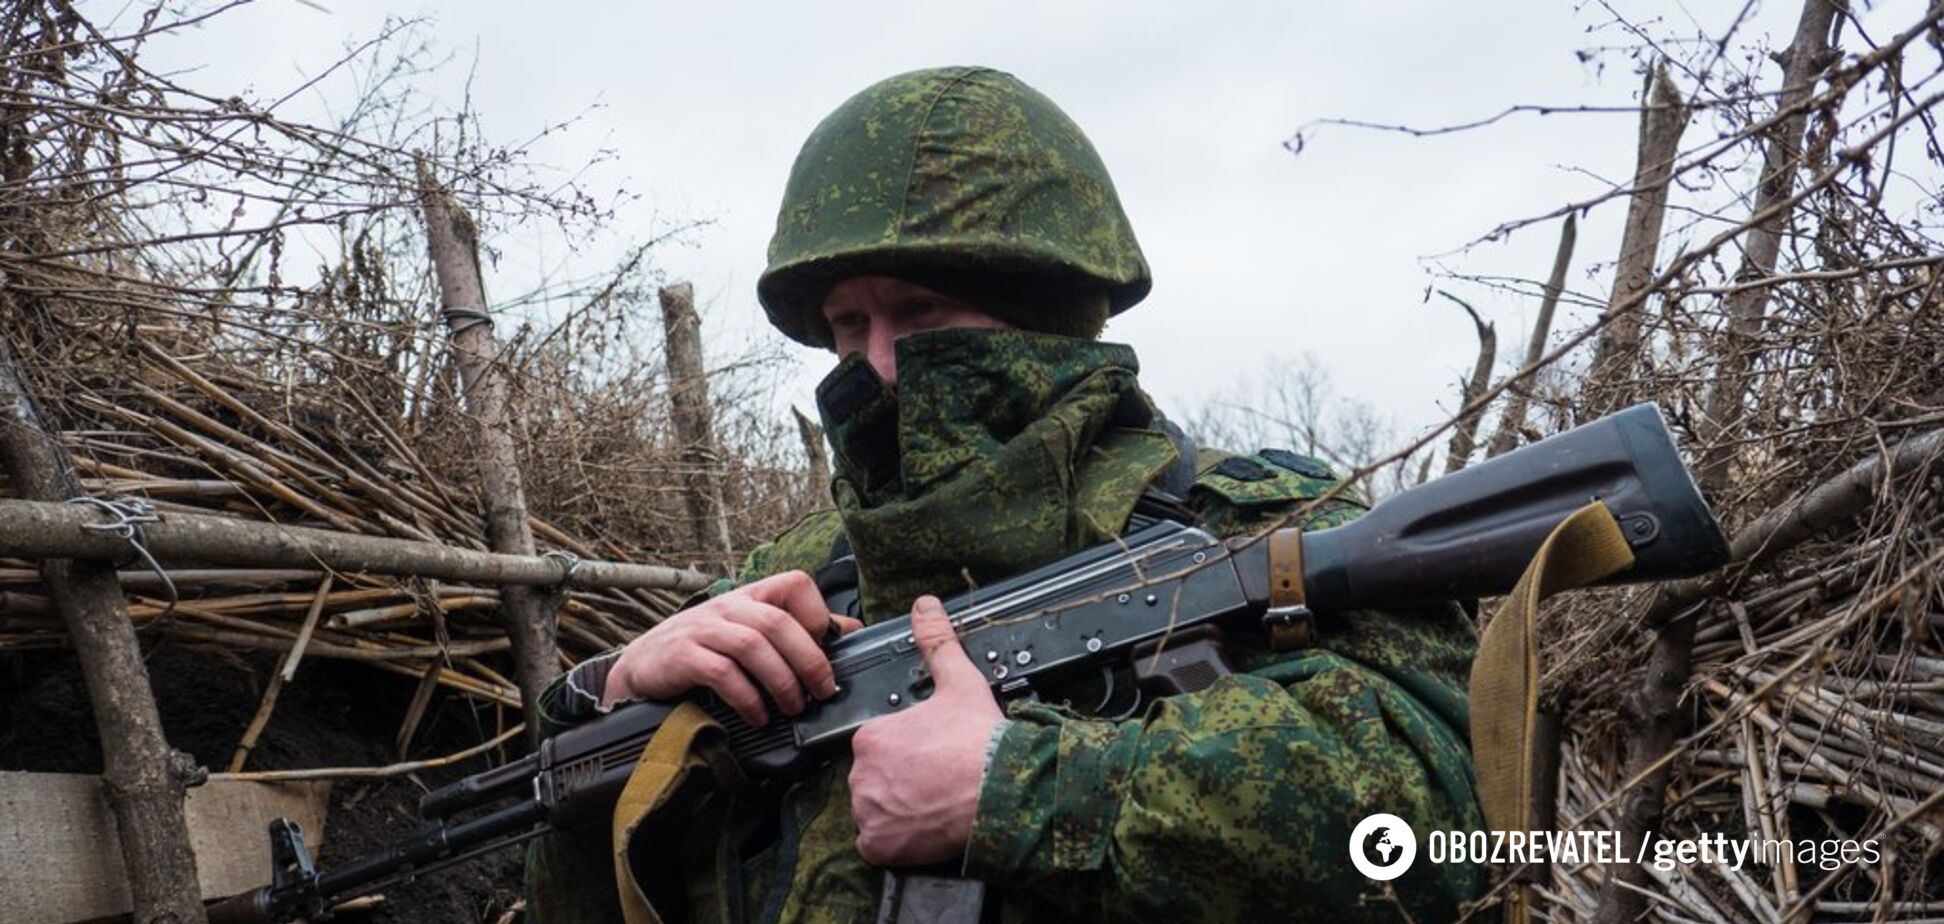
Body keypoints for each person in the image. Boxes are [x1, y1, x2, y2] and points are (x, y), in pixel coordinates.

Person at [527, 65, 1485, 923]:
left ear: (1048, 310)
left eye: (921, 311)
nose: (881, 366)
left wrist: (1025, 791)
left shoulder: (1253, 525)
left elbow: (1440, 834)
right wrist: (605, 714)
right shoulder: (794, 578)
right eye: (848, 323)